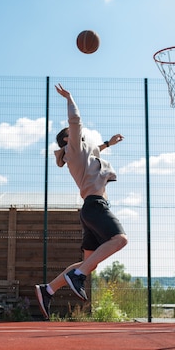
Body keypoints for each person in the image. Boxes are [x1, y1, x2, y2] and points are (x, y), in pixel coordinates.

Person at [35, 84, 128, 320]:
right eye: (72, 132)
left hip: (89, 208)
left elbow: (94, 150)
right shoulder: (73, 147)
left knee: (88, 262)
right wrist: (69, 97)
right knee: (120, 239)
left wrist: (109, 143)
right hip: (96, 206)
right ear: (67, 138)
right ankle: (77, 276)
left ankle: (48, 289)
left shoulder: (81, 153)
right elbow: (75, 120)